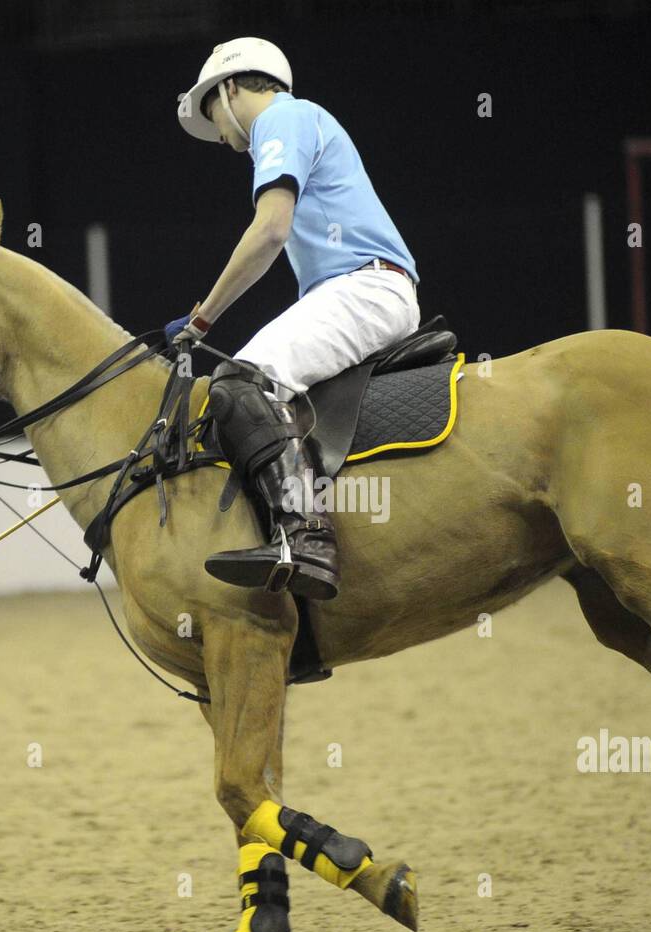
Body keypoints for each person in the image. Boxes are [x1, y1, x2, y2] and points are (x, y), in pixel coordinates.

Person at [167, 37, 420, 600]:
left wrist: (201, 320)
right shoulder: (301, 123)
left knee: (242, 380)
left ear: (230, 87)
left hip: (366, 288)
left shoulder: (283, 119)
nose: (227, 143)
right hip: (362, 288)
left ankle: (306, 539)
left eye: (215, 117)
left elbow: (270, 231)